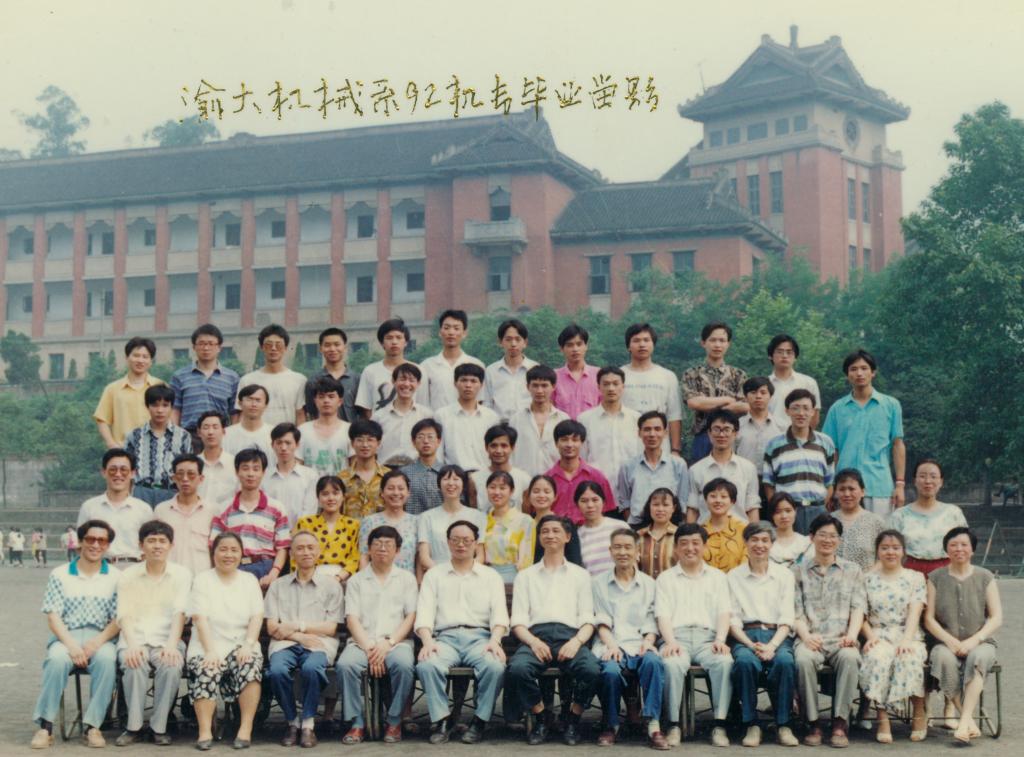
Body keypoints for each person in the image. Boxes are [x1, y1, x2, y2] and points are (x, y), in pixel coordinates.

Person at [506, 514, 600, 746]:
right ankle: (541, 717)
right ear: (539, 537)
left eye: (556, 531)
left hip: (570, 637)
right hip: (535, 637)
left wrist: (577, 642)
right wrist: (533, 642)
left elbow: (588, 619)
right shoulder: (526, 576)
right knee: (517, 669)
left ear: (567, 537)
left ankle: (572, 719)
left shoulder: (580, 575)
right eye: (545, 531)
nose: (550, 535)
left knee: (592, 670)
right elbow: (518, 621)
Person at [29, 520, 121, 750]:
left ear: (107, 545)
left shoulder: (116, 576)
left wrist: (96, 643)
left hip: (100, 637)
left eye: (102, 541)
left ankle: (93, 726)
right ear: (80, 541)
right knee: (56, 660)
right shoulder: (60, 574)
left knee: (107, 660)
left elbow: (118, 619)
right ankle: (45, 727)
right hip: (66, 636)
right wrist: (71, 646)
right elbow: (53, 616)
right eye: (90, 539)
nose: (95, 545)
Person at [416, 520, 509, 744]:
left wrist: (495, 640)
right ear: (447, 542)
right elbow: (425, 613)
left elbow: (499, 615)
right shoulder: (434, 575)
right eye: (455, 540)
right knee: (427, 665)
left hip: (480, 639)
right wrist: (427, 642)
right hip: (445, 639)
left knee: (495, 666)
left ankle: (479, 721)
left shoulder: (490, 576)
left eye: (467, 540)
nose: (461, 545)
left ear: (476, 543)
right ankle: (443, 720)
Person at [336, 525, 418, 744]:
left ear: (397, 550)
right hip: (362, 643)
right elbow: (352, 618)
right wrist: (371, 648)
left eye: (388, 544)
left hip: (396, 642)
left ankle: (394, 721)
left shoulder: (407, 579)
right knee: (346, 666)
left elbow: (410, 616)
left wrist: (388, 643)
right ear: (369, 549)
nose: (382, 548)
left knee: (404, 666)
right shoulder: (356, 580)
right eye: (377, 544)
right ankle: (357, 723)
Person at [656, 523, 734, 748]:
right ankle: (673, 725)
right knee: (671, 664)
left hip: (707, 638)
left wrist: (720, 640)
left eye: (695, 543)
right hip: (676, 637)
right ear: (676, 548)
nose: (690, 548)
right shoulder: (665, 578)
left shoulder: (718, 577)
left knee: (724, 662)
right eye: (684, 543)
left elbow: (724, 612)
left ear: (704, 546)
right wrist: (670, 641)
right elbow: (663, 615)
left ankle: (719, 725)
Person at [265, 530, 344, 748]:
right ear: (291, 554)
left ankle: (308, 724)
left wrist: (296, 626)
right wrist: (299, 636)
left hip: (319, 643)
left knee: (312, 669)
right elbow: (272, 626)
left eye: (310, 548)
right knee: (277, 671)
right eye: (299, 548)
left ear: (318, 552)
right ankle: (292, 722)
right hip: (285, 643)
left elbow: (331, 627)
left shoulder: (331, 586)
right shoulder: (278, 585)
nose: (305, 552)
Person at [114, 520, 190, 747]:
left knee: (171, 665)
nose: (157, 546)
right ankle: (133, 727)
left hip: (167, 639)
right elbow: (124, 614)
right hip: (134, 638)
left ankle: (160, 727)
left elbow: (179, 613)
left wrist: (171, 645)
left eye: (162, 541)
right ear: (141, 545)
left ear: (171, 545)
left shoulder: (181, 574)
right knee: (134, 663)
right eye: (151, 541)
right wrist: (132, 645)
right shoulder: (128, 575)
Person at [792, 514, 866, 748]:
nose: (827, 540)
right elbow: (795, 611)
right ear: (811, 537)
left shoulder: (853, 570)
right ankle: (812, 723)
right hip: (810, 637)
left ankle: (840, 722)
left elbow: (858, 607)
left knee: (850, 657)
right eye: (822, 535)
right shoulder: (797, 570)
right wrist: (806, 636)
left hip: (841, 637)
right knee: (803, 659)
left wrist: (852, 635)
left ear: (839, 540)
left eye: (833, 536)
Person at [924, 527, 1003, 744]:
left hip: (980, 641)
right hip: (944, 642)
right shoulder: (935, 577)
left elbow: (996, 617)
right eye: (953, 545)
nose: (959, 549)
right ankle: (967, 720)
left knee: (978, 658)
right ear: (946, 550)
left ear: (972, 549)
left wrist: (974, 640)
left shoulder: (985, 577)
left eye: (964, 545)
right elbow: (929, 619)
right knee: (943, 658)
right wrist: (949, 640)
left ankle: (965, 719)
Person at [187, 532, 265, 750]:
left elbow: (256, 616)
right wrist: (210, 650)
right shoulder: (202, 580)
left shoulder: (249, 580)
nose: (228, 555)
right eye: (223, 549)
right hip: (207, 643)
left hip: (241, 643)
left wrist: (248, 644)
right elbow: (200, 618)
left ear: (241, 554)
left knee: (250, 664)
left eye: (234, 550)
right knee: (207, 667)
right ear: (214, 553)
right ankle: (204, 731)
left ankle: (245, 728)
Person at [592, 529, 668, 749]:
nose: (622, 552)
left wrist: (648, 641)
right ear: (610, 551)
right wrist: (612, 645)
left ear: (637, 551)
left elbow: (651, 620)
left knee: (653, 662)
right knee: (610, 671)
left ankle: (653, 725)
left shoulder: (649, 584)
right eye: (617, 547)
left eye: (628, 547)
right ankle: (611, 724)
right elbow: (602, 621)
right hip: (610, 642)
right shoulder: (598, 583)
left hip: (639, 643)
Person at [728, 521, 799, 747]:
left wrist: (772, 646)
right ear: (746, 543)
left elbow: (787, 618)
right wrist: (751, 645)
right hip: (745, 635)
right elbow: (732, 620)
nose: (760, 545)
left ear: (772, 544)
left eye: (765, 540)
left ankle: (783, 724)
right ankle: (751, 724)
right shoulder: (733, 576)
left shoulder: (784, 575)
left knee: (785, 662)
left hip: (777, 635)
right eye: (754, 540)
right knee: (745, 662)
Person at [860, 530, 928, 743]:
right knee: (878, 657)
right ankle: (882, 717)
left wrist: (907, 639)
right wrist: (870, 637)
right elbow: (860, 613)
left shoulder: (915, 577)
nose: (890, 552)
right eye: (885, 548)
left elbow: (915, 611)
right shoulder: (866, 579)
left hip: (907, 633)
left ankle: (919, 712)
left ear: (903, 551)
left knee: (909, 656)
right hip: (877, 634)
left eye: (895, 548)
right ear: (877, 551)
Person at [822, 349, 905, 516]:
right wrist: (830, 486)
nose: (859, 373)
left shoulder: (891, 405)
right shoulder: (837, 409)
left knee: (880, 531)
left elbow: (897, 445)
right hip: (844, 489)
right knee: (843, 531)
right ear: (847, 375)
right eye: (853, 369)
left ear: (873, 372)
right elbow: (831, 451)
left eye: (864, 368)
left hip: (879, 486)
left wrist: (900, 484)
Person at [209, 447, 291, 587]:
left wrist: (273, 574)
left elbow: (283, 547)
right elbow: (214, 545)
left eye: (256, 469)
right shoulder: (223, 508)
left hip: (265, 568)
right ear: (237, 472)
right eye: (245, 468)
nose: (251, 474)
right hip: (233, 567)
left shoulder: (277, 508)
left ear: (263, 472)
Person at [762, 388, 837, 534]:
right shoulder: (774, 445)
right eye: (795, 408)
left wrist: (820, 505)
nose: (801, 413)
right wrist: (779, 509)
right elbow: (768, 484)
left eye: (806, 408)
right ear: (787, 411)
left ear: (813, 412)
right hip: (787, 512)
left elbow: (829, 482)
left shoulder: (825, 442)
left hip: (818, 510)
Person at [681, 322, 748, 462]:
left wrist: (708, 404)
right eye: (713, 340)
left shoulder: (738, 375)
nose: (717, 345)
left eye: (722, 340)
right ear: (703, 343)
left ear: (728, 344)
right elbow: (694, 403)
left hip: (731, 435)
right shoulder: (692, 374)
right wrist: (728, 400)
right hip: (703, 435)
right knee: (701, 473)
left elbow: (745, 406)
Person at [889, 459, 968, 575]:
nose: (928, 481)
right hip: (909, 572)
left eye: (933, 476)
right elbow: (890, 549)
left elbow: (966, 548)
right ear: (915, 481)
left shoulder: (953, 513)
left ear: (941, 481)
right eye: (922, 476)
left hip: (947, 572)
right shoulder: (899, 515)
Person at [77, 449, 152, 563]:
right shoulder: (89, 507)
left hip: (133, 567)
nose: (118, 474)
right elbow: (81, 544)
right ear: (104, 472)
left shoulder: (144, 509)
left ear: (132, 473)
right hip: (99, 567)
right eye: (113, 469)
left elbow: (150, 544)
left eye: (123, 470)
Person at [620, 323, 683, 457]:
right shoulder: (619, 375)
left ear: (653, 344)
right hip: (626, 444)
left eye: (646, 340)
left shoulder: (667, 376)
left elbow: (674, 415)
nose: (642, 344)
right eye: (636, 340)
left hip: (660, 445)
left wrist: (676, 450)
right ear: (628, 346)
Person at [686, 409, 760, 523]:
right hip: (705, 532)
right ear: (709, 433)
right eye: (716, 429)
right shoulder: (695, 470)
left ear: (735, 433)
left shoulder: (748, 468)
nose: (721, 434)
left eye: (727, 430)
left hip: (740, 532)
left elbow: (752, 508)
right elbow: (693, 509)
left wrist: (754, 532)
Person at [124, 384, 193, 506]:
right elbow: (127, 469)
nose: (160, 410)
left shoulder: (183, 436)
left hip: (171, 492)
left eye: (165, 405)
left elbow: (189, 468)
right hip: (141, 492)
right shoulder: (134, 436)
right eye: (155, 405)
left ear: (171, 407)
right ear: (147, 406)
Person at [617, 411, 689, 526]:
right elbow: (625, 502)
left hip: (670, 526)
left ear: (665, 433)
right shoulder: (627, 466)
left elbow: (682, 501)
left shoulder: (678, 465)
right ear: (639, 433)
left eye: (657, 429)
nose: (652, 434)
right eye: (647, 429)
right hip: (637, 525)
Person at [169, 323, 240, 437]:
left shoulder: (232, 377)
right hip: (189, 435)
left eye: (211, 344)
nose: (206, 348)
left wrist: (233, 436)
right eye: (201, 344)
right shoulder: (179, 376)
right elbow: (175, 409)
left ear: (219, 348)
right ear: (194, 347)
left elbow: (235, 412)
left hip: (220, 436)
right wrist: (175, 436)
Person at [93, 337, 164, 448]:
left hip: (154, 448)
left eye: (145, 357)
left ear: (151, 361)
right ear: (127, 357)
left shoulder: (160, 386)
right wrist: (111, 444)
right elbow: (102, 420)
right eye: (136, 355)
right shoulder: (112, 389)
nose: (140, 360)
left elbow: (169, 419)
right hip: (123, 450)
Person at [579, 366, 642, 490]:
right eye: (606, 384)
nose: (611, 388)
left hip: (631, 486)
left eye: (615, 384)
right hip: (597, 488)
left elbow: (641, 455)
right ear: (598, 387)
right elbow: (582, 457)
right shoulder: (585, 419)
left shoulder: (636, 419)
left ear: (623, 386)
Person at [418, 465, 486, 577]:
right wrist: (443, 574)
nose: (450, 483)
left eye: (456, 479)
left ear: (463, 485)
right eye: (445, 479)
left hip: (468, 576)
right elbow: (424, 557)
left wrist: (464, 574)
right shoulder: (426, 517)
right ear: (439, 484)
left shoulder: (478, 516)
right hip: (437, 576)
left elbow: (480, 556)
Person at [154, 453, 217, 575]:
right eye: (180, 474)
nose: (185, 479)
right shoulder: (161, 510)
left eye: (191, 474)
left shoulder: (212, 511)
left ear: (201, 478)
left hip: (201, 577)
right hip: (169, 577)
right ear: (173, 478)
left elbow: (216, 549)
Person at [545, 419, 617, 524]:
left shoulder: (597, 477)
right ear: (556, 443)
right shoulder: (547, 479)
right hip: (556, 531)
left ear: (582, 443)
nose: (569, 444)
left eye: (575, 440)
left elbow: (608, 511)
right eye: (564, 440)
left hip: (589, 531)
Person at [235, 323, 307, 427]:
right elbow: (242, 415)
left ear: (285, 348)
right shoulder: (247, 380)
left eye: (278, 345)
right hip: (257, 436)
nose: (273, 348)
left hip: (286, 435)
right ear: (261, 347)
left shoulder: (299, 380)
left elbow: (300, 415)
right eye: (268, 345)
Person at [293, 475, 361, 581]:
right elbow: (295, 556)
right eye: (325, 494)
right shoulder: (305, 523)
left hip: (342, 579)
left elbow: (355, 559)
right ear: (318, 498)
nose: (331, 498)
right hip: (309, 578)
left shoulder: (353, 525)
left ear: (343, 497)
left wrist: (338, 578)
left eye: (335, 493)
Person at [434, 363, 500, 471]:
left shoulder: (491, 417)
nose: (468, 385)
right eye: (463, 380)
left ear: (481, 385)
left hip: (485, 474)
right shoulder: (442, 415)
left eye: (473, 381)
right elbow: (438, 452)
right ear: (455, 383)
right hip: (454, 476)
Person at [355, 317, 426, 417]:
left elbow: (423, 404)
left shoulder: (418, 370)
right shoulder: (370, 371)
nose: (394, 342)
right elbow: (366, 407)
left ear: (406, 342)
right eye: (389, 338)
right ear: (382, 343)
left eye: (399, 337)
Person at [508, 364, 570, 476]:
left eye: (544, 385)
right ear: (528, 387)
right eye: (535, 385)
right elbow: (510, 453)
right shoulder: (516, 419)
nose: (539, 391)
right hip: (524, 478)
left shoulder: (563, 419)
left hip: (555, 479)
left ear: (553, 387)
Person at [419, 309, 485, 411]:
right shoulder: (427, 366)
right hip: (436, 420)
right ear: (440, 332)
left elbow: (480, 401)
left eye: (456, 328)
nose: (451, 332)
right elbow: (422, 402)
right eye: (446, 328)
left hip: (467, 419)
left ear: (464, 333)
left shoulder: (476, 364)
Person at [359, 469, 419, 573]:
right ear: (382, 493)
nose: (396, 493)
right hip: (376, 580)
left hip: (407, 580)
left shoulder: (417, 522)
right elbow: (364, 557)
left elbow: (419, 558)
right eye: (391, 488)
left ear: (408, 493)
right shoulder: (369, 522)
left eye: (401, 488)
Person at [372, 363, 433, 463]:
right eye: (402, 379)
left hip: (417, 468)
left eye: (412, 380)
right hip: (386, 468)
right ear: (393, 381)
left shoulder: (426, 415)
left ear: (418, 384)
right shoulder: (379, 416)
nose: (407, 384)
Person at [263, 423, 319, 528]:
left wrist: (296, 534)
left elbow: (309, 512)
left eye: (288, 443)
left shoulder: (310, 476)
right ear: (272, 445)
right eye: (279, 443)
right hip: (270, 533)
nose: (283, 448)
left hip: (301, 534)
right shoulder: (263, 477)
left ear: (297, 445)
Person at [482, 471, 535, 583]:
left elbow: (526, 559)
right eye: (492, 487)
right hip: (487, 577)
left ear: (511, 491)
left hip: (514, 577)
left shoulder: (525, 521)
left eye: (502, 488)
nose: (497, 492)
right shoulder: (482, 520)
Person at [482, 318, 537, 422]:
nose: (513, 344)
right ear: (500, 342)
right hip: (499, 426)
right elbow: (487, 404)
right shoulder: (491, 371)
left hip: (528, 424)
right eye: (508, 339)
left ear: (525, 342)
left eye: (518, 339)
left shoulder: (535, 368)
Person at [832, 467, 886, 571]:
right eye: (842, 489)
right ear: (835, 493)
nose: (847, 494)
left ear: (862, 492)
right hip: (832, 579)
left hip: (866, 578)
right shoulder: (828, 521)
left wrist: (866, 576)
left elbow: (884, 558)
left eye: (852, 489)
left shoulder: (876, 522)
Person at [469, 424, 531, 512]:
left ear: (512, 448)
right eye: (493, 446)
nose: (498, 451)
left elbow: (526, 514)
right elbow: (473, 512)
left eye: (504, 446)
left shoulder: (524, 479)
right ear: (486, 447)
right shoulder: (474, 479)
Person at [524, 474, 583, 566]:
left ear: (555, 496)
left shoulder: (565, 523)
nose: (541, 495)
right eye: (536, 491)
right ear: (529, 496)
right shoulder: (524, 523)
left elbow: (574, 559)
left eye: (547, 491)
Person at [304, 327, 360, 423]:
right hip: (321, 431)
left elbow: (362, 413)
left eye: (337, 344)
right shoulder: (313, 380)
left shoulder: (357, 379)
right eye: (327, 345)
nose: (332, 349)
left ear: (345, 347)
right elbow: (311, 413)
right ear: (320, 348)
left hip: (351, 431)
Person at [765, 334, 821, 430]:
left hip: (799, 436)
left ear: (795, 357)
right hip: (769, 436)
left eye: (789, 352)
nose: (784, 356)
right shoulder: (764, 385)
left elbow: (814, 415)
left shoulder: (808, 383)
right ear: (770, 356)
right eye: (780, 352)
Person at [298, 376, 352, 475]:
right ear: (315, 401)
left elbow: (355, 465)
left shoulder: (350, 430)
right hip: (310, 484)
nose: (326, 401)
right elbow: (298, 465)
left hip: (341, 484)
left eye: (331, 396)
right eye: (321, 397)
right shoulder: (303, 430)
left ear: (340, 401)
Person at [338, 419, 390, 520]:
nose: (365, 445)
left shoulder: (389, 477)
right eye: (360, 440)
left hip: (381, 529)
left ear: (378, 443)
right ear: (352, 443)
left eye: (370, 440)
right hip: (350, 529)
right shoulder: (342, 478)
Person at [734, 376, 786, 479]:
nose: (758, 396)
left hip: (774, 479)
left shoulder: (782, 426)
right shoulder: (737, 426)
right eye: (753, 392)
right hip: (743, 478)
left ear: (770, 396)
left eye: (763, 392)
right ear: (745, 397)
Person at [553, 323, 600, 420]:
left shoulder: (599, 375)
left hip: (591, 428)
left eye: (579, 344)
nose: (575, 349)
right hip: (563, 428)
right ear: (561, 349)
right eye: (569, 345)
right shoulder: (553, 377)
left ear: (586, 346)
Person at [223, 384, 276, 467]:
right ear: (240, 403)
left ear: (265, 405)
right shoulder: (226, 434)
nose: (253, 404)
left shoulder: (274, 434)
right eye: (249, 399)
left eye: (258, 400)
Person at [701, 478, 748, 572]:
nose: (718, 500)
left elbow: (747, 562)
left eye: (723, 496)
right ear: (706, 500)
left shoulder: (744, 529)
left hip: (737, 579)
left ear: (732, 501)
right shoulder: (699, 532)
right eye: (713, 496)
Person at [400, 418, 445, 515]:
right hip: (412, 522)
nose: (426, 441)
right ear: (413, 442)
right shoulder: (403, 473)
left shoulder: (448, 474)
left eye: (430, 437)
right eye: (420, 437)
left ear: (438, 441)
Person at [635, 488, 683, 578]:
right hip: (645, 586)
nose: (660, 509)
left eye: (665, 505)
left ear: (673, 508)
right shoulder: (639, 535)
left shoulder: (681, 535)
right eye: (656, 505)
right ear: (649, 506)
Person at [576, 482, 620, 577]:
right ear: (577, 505)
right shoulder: (577, 536)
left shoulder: (619, 527)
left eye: (595, 500)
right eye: (584, 501)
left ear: (603, 502)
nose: (590, 505)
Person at [194, 411, 238, 506]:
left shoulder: (234, 464)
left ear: (223, 431)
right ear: (199, 432)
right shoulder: (193, 464)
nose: (210, 432)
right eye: (206, 427)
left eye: (215, 427)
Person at [767, 493, 813, 567]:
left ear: (795, 511)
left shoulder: (805, 543)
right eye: (778, 512)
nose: (784, 516)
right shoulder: (765, 542)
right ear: (772, 515)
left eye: (788, 511)